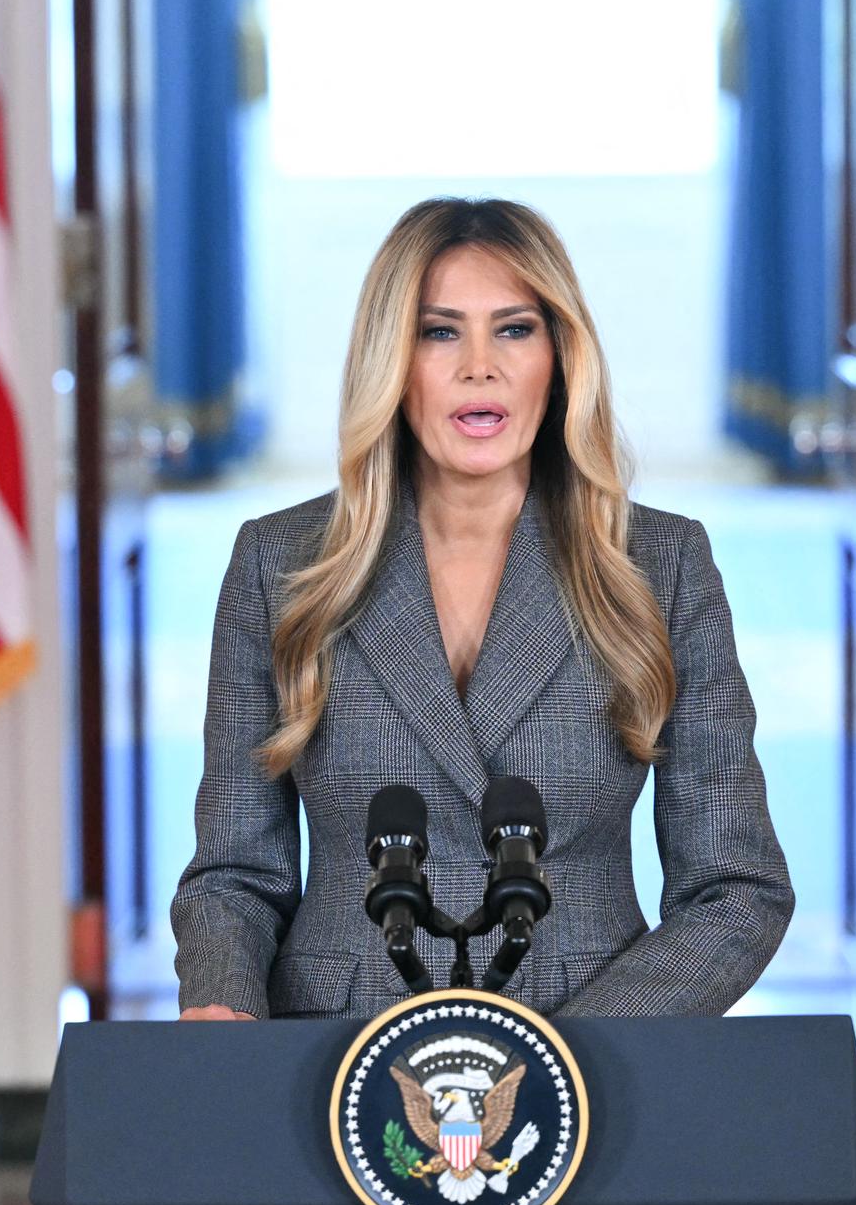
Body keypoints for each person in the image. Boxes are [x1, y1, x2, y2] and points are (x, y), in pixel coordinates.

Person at [171, 196, 793, 1024]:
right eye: (439, 332)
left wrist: (564, 1054)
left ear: (559, 357)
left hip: (591, 1049)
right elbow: (234, 874)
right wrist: (220, 1005)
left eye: (514, 330)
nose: (479, 367)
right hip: (336, 1048)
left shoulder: (663, 565)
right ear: (392, 361)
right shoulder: (279, 564)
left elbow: (736, 888)